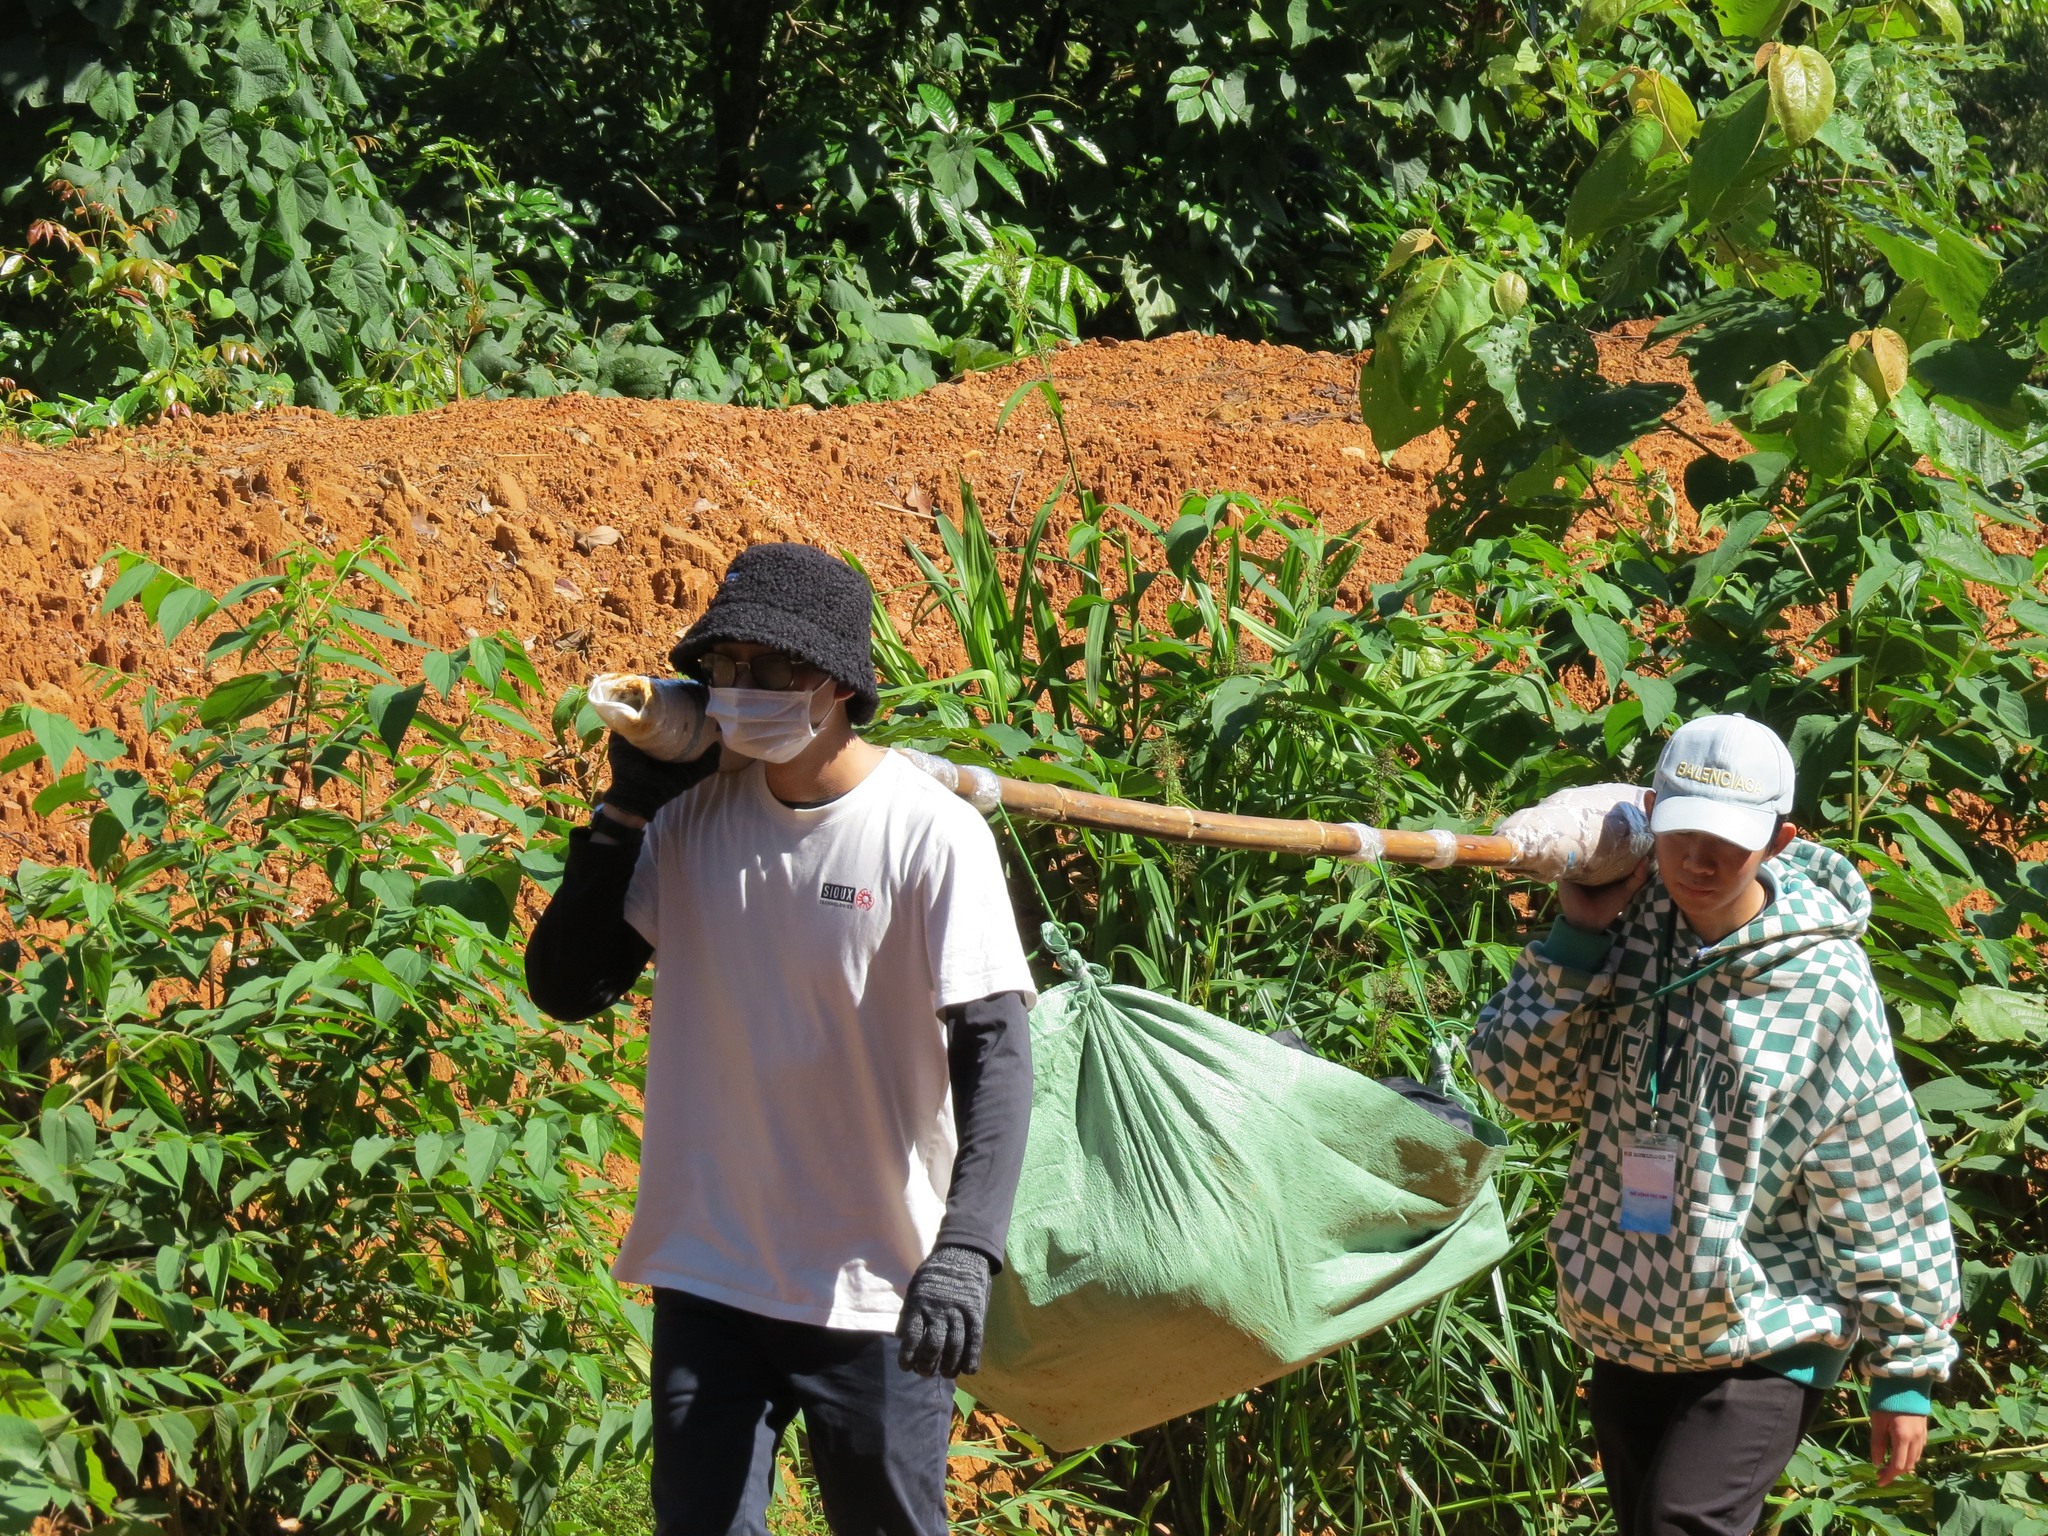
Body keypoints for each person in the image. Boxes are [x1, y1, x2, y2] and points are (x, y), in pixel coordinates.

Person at [525, 543, 1036, 1536]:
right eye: (723, 670)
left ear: (839, 685)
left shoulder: (927, 836)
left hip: (873, 1284)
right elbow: (567, 986)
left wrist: (966, 1249)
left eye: (768, 670)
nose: (735, 692)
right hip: (711, 1270)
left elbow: (996, 1055)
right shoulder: (693, 822)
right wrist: (624, 809)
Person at [1469, 714, 1960, 1536]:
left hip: (1767, 1322)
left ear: (1778, 839)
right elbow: (1521, 1086)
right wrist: (1577, 938)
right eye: (1683, 832)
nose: (1699, 860)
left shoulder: (1820, 981)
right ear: (1653, 813)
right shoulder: (1622, 930)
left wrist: (1903, 1369)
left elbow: (1878, 1170)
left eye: (1728, 840)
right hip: (1632, 1314)